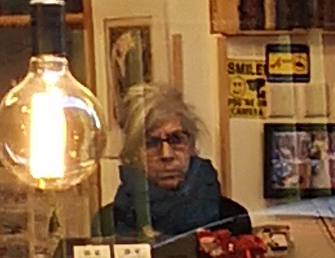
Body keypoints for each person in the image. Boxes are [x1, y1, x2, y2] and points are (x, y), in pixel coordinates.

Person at [105, 81, 249, 248]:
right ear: (132, 154)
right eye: (151, 143)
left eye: (177, 139)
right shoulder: (110, 222)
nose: (166, 155)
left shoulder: (231, 219)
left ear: (192, 146)